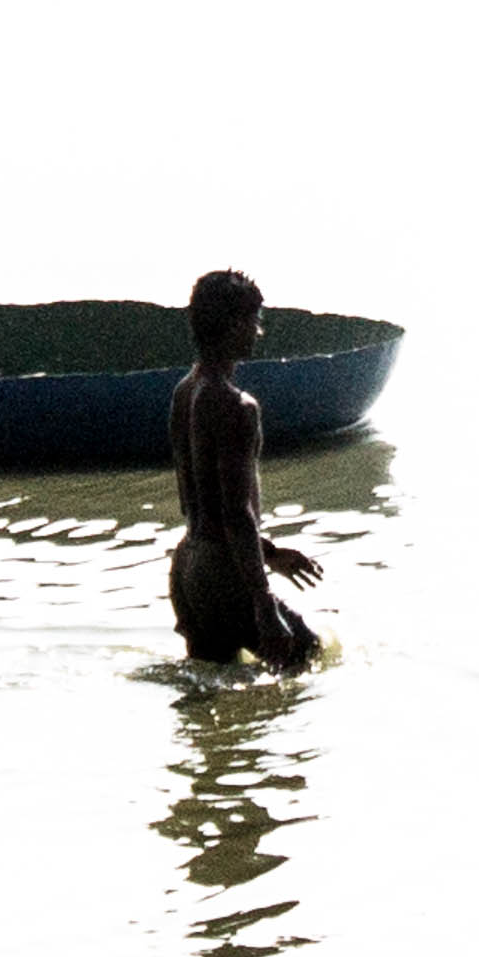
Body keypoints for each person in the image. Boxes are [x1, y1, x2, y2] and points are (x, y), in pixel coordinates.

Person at [166, 268, 325, 668]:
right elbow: (236, 513)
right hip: (222, 572)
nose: (258, 332)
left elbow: (199, 504)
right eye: (255, 321)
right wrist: (263, 602)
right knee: (307, 656)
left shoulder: (184, 392)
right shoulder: (236, 406)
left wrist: (269, 553)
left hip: (187, 565)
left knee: (209, 684)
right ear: (234, 324)